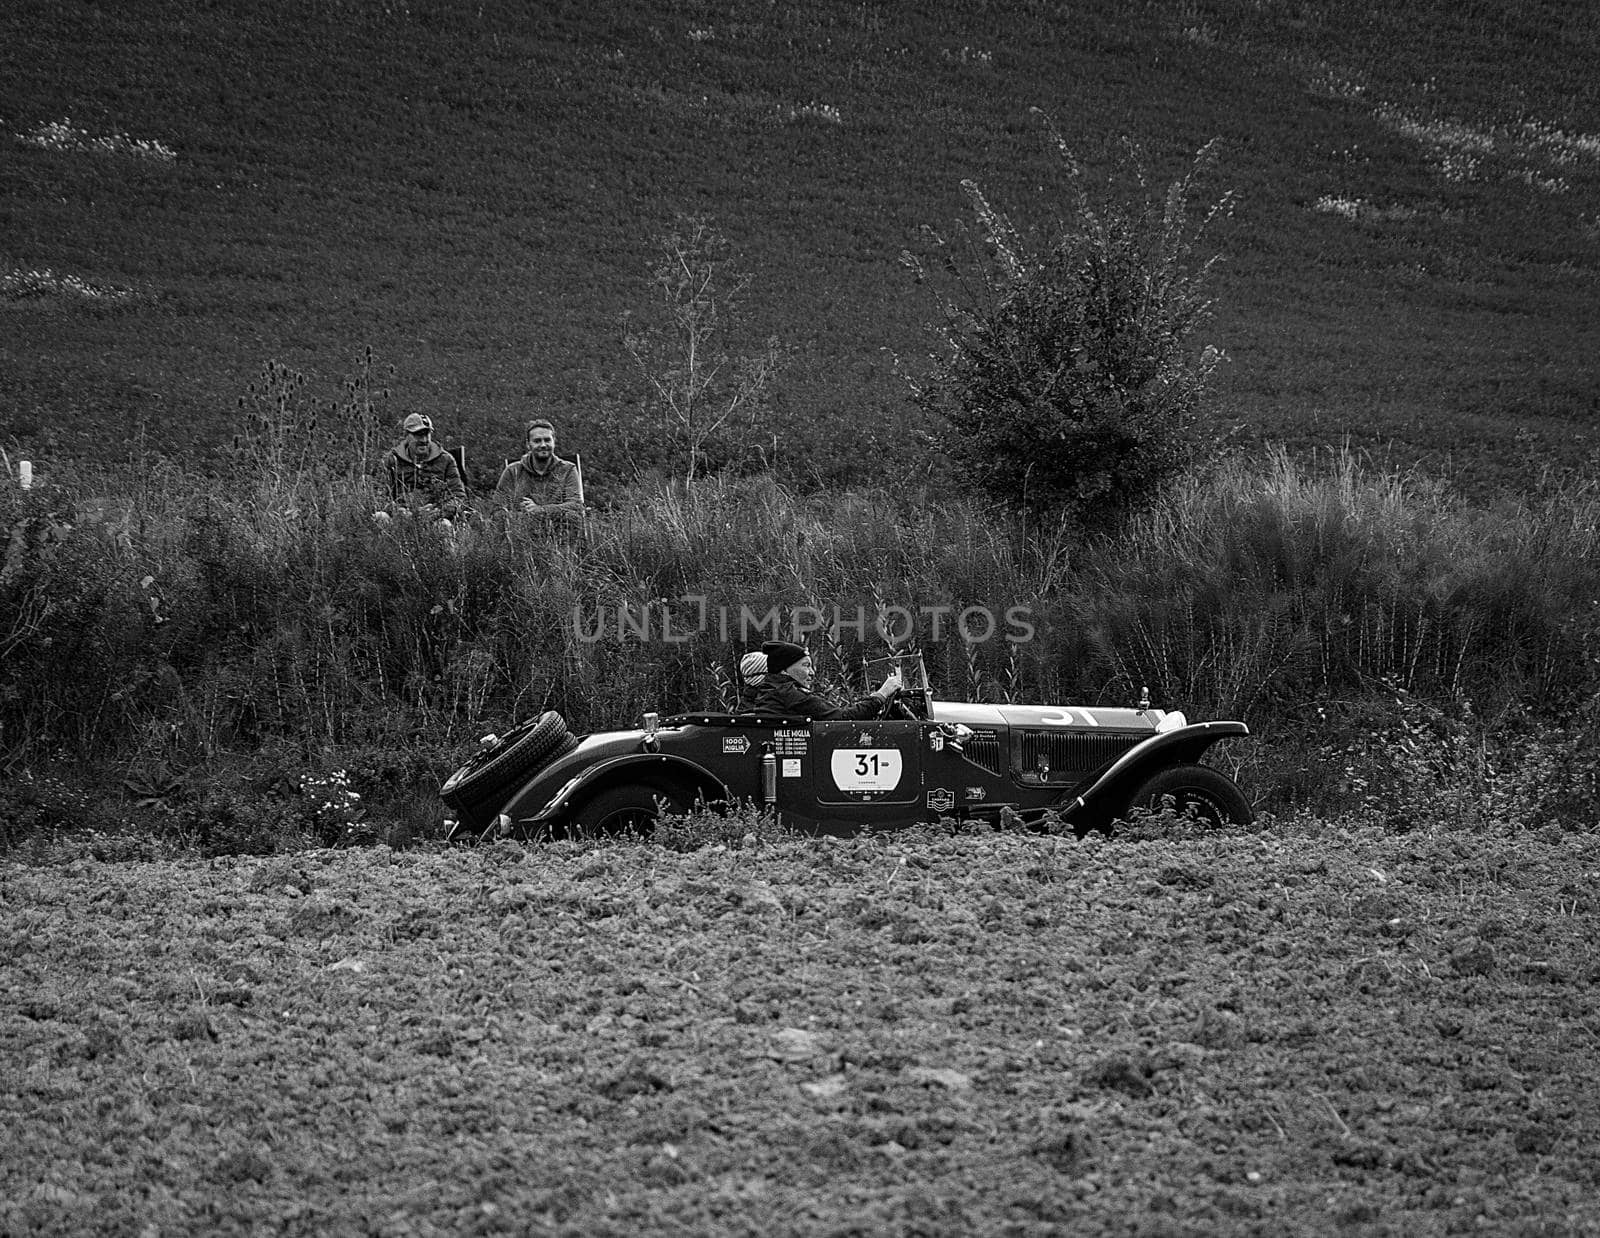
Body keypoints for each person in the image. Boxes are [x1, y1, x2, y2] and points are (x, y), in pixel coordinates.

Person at [744, 640, 902, 720]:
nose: (812, 673)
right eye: (806, 666)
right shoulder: (788, 694)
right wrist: (882, 694)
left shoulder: (774, 690)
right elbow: (844, 718)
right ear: (784, 670)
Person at [493, 419, 584, 531]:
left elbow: (576, 505)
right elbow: (497, 511)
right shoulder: (513, 471)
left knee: (573, 517)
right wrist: (527, 518)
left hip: (560, 533)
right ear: (528, 444)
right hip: (523, 533)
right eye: (537, 441)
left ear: (554, 441)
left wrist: (540, 510)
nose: (543, 445)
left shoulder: (568, 470)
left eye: (547, 440)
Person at [381, 413, 465, 521]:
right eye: (418, 435)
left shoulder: (446, 460)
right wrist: (399, 511)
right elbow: (379, 496)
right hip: (400, 519)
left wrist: (439, 512)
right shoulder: (391, 460)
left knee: (444, 525)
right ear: (406, 435)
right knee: (380, 517)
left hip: (435, 518)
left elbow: (458, 496)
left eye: (427, 434)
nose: (424, 440)